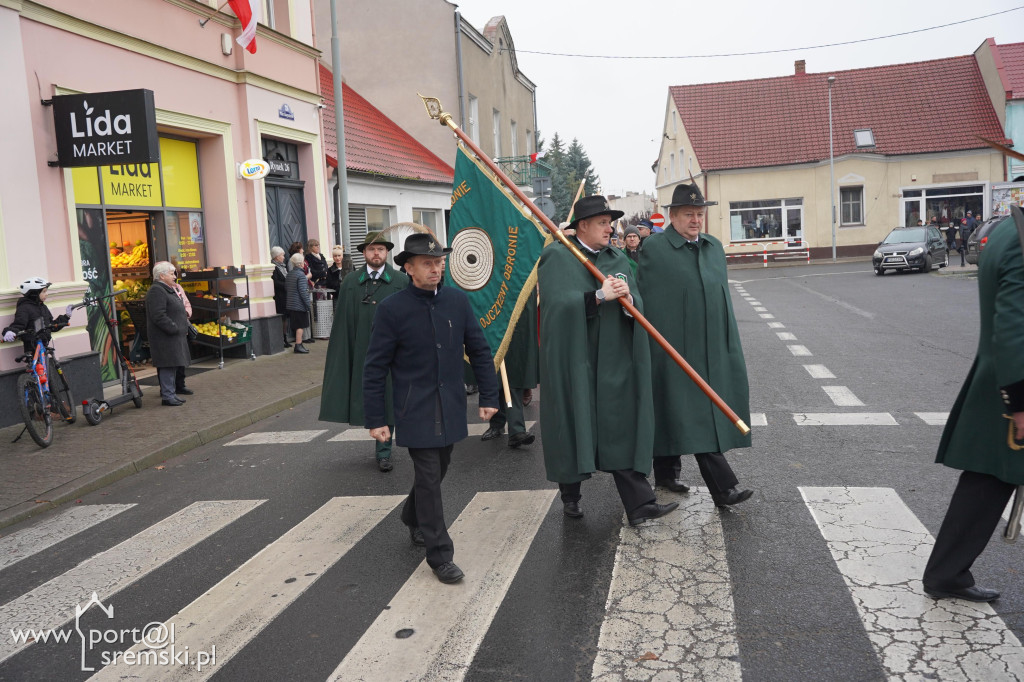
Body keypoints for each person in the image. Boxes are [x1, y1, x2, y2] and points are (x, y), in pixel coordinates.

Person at [363, 232, 499, 584]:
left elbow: (480, 351)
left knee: (439, 470)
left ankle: (412, 516)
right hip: (415, 408)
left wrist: (489, 396)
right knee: (428, 478)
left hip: (451, 404)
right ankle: (440, 556)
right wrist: (376, 419)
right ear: (408, 268)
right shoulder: (392, 309)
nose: (436, 268)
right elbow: (375, 366)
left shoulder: (457, 301)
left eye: (439, 262)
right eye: (427, 263)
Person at [538, 195, 679, 525]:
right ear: (582, 226)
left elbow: (637, 300)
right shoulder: (558, 257)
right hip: (577, 363)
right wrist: (598, 297)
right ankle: (570, 496)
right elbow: (556, 308)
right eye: (602, 222)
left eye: (610, 222)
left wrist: (630, 300)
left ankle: (640, 504)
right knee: (573, 427)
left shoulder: (616, 256)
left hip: (614, 363)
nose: (610, 228)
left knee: (619, 429)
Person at [922, 208, 1024, 603]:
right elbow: (1015, 324)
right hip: (1012, 383)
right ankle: (946, 573)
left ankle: (947, 572)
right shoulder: (1018, 240)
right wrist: (1019, 402)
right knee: (987, 479)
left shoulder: (1004, 231)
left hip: (1000, 377)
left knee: (987, 479)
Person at [637, 183, 754, 507]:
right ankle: (723, 488)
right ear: (672, 216)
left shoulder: (713, 247)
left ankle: (665, 473)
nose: (695, 220)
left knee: (679, 412)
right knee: (688, 413)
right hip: (673, 351)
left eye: (699, 214)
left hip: (713, 351)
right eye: (689, 214)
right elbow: (647, 297)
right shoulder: (655, 250)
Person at [320, 232, 409, 472]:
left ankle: (384, 451)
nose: (376, 253)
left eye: (380, 249)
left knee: (391, 397)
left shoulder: (401, 281)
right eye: (372, 249)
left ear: (387, 252)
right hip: (362, 350)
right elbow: (344, 322)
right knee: (373, 395)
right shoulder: (350, 282)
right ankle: (382, 444)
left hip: (393, 353)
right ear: (364, 253)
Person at [480, 289, 538, 448]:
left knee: (513, 374)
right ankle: (498, 423)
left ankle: (516, 430)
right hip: (494, 311)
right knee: (496, 371)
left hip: (518, 312)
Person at [145, 262, 191, 406]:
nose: (174, 276)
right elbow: (158, 315)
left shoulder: (167, 289)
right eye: (171, 273)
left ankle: (171, 394)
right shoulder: (156, 291)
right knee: (167, 366)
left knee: (172, 366)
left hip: (172, 336)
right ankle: (167, 396)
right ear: (162, 275)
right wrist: (173, 328)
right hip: (165, 337)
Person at [2, 277, 74, 351]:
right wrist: (10, 331)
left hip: (44, 343)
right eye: (44, 291)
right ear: (34, 294)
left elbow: (51, 325)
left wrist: (66, 316)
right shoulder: (24, 308)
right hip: (31, 345)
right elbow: (18, 324)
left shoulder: (43, 307)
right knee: (36, 361)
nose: (47, 294)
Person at [167, 270, 194, 396]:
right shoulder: (160, 291)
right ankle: (169, 388)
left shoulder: (178, 288)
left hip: (182, 326)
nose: (174, 277)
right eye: (171, 274)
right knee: (172, 359)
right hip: (172, 328)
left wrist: (187, 313)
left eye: (174, 274)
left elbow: (186, 303)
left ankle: (180, 385)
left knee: (182, 356)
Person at [285, 253, 312, 354]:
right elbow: (303, 291)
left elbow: (286, 288)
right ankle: (298, 345)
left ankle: (299, 345)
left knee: (297, 325)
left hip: (291, 304)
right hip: (299, 304)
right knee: (300, 326)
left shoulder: (289, 274)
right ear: (301, 263)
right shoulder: (301, 275)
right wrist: (308, 305)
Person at [270, 246, 292, 348]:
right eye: (282, 255)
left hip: (286, 296)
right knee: (282, 318)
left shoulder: (283, 266)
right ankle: (282, 339)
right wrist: (287, 285)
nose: (284, 257)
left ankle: (285, 338)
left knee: (285, 319)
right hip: (280, 297)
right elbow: (275, 282)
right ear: (276, 257)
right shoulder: (273, 267)